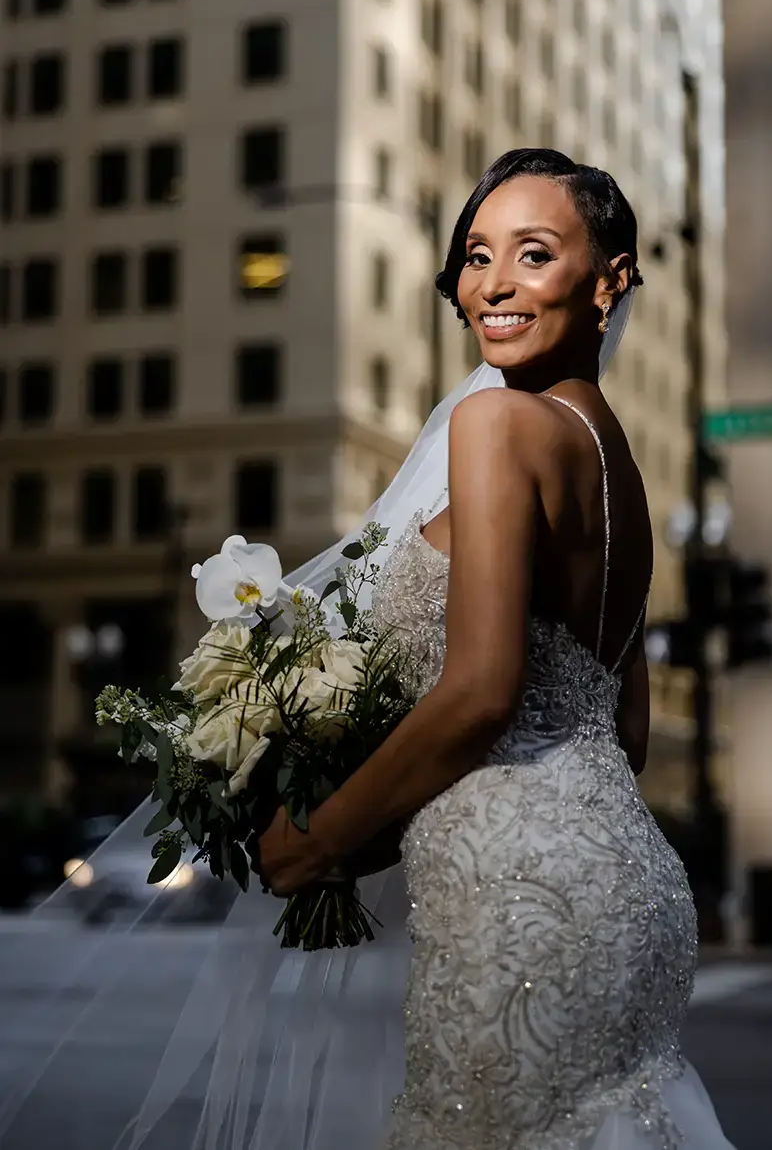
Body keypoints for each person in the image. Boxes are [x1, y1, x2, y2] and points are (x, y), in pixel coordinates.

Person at [254, 149, 737, 1149]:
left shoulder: (497, 424)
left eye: (534, 252)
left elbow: (480, 695)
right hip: (631, 882)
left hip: (522, 904)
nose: (496, 284)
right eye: (478, 255)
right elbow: (626, 729)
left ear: (611, 281)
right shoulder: (620, 471)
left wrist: (321, 837)